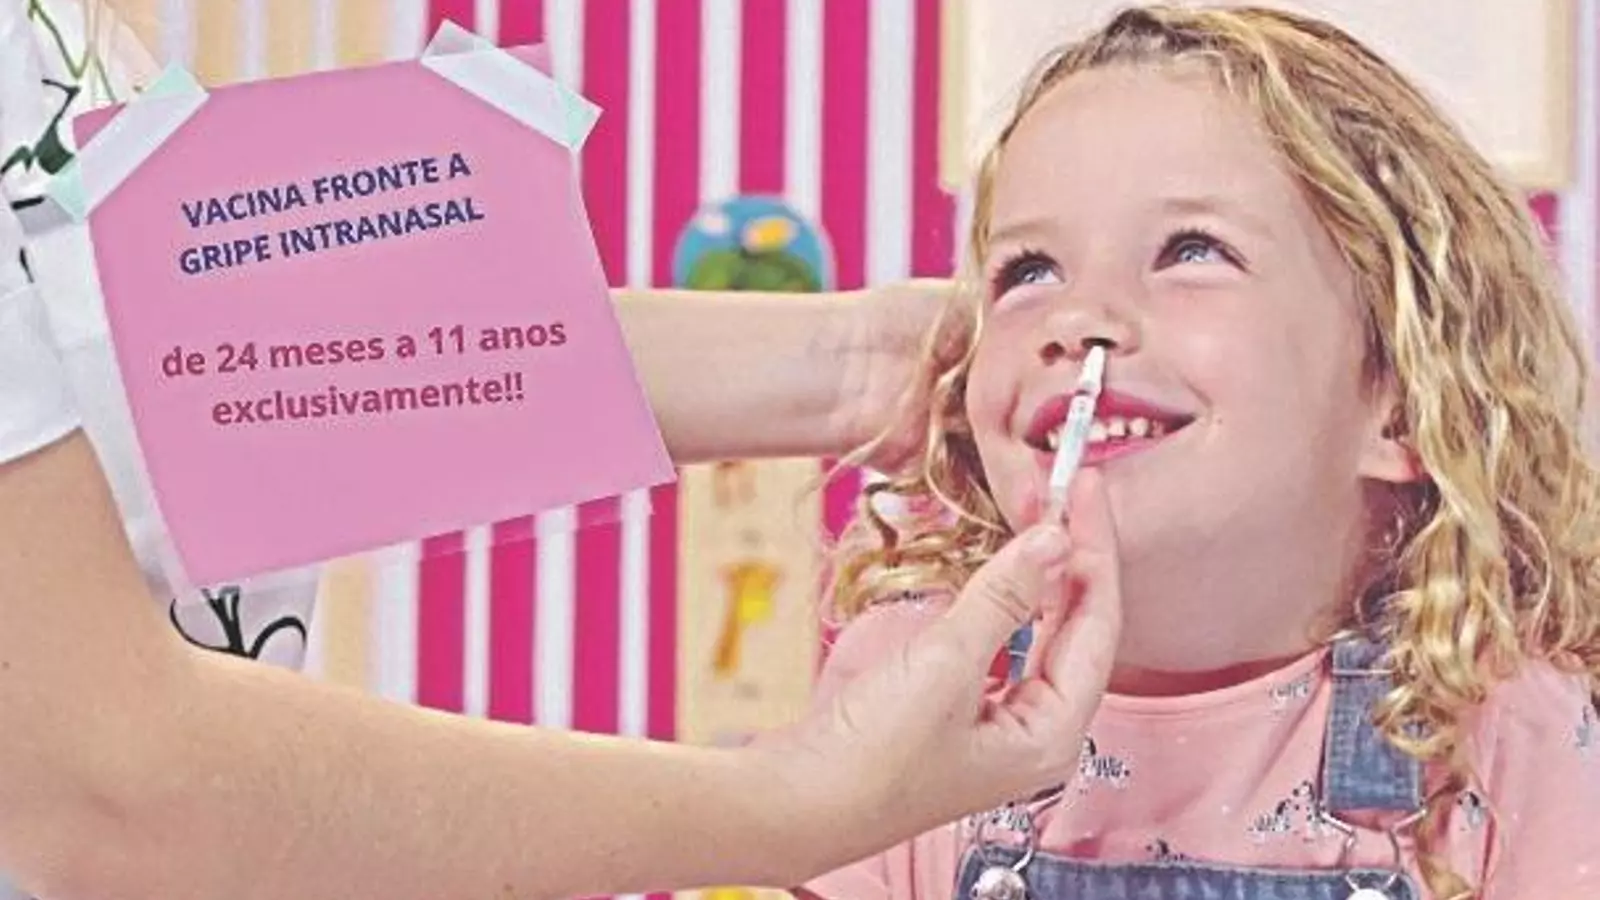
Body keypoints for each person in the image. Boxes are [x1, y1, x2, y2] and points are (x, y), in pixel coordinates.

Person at [800, 6, 1600, 900]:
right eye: (1029, 270)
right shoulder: (917, 680)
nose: (1079, 318)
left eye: (1190, 251)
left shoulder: (1498, 725)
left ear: (1403, 402)